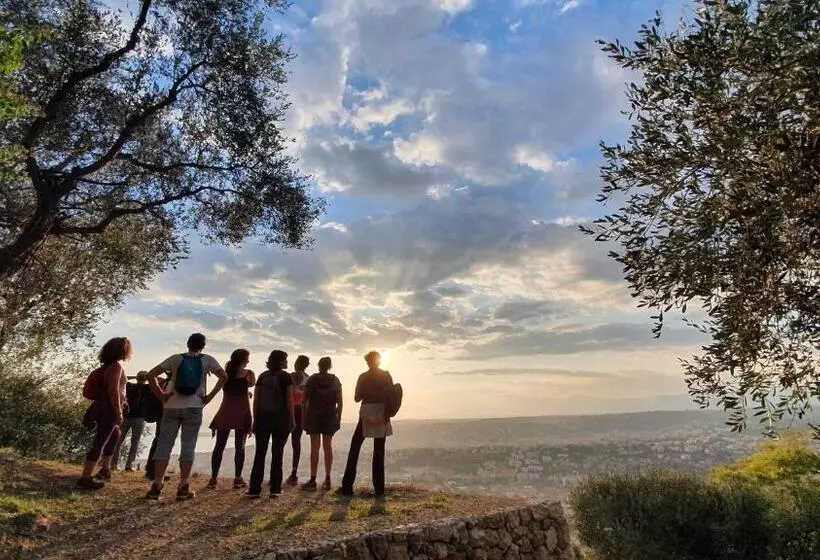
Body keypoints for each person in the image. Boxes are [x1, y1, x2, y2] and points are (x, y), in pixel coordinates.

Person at [144, 333, 227, 501]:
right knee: (188, 446)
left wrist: (161, 396)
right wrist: (209, 397)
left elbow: (150, 375)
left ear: (188, 343)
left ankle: (157, 486)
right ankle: (183, 486)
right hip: (194, 407)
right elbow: (224, 377)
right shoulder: (208, 360)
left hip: (171, 406)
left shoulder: (175, 359)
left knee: (164, 445)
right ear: (203, 346)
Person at [77, 337, 132, 490]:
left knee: (115, 435)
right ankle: (86, 477)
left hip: (101, 406)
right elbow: (113, 391)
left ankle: (105, 470)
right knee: (101, 441)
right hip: (109, 408)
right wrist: (119, 412)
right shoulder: (116, 367)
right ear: (123, 351)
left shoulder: (106, 366)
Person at [340, 351, 394, 498]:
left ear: (367, 362)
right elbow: (391, 396)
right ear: (379, 361)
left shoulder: (363, 377)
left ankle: (347, 487)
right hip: (381, 412)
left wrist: (366, 392)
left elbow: (357, 398)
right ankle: (379, 490)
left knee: (355, 446)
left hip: (366, 411)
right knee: (379, 451)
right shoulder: (386, 375)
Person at [248, 350, 294, 499]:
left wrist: (255, 420)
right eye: (285, 359)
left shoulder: (262, 376)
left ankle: (254, 489)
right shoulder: (286, 377)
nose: (287, 362)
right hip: (281, 420)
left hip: (262, 419)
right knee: (277, 454)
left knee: (259, 454)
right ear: (281, 361)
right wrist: (292, 420)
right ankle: (275, 489)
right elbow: (289, 401)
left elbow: (256, 401)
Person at [207, 348, 254, 489]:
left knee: (219, 447)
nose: (248, 361)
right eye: (247, 358)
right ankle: (238, 478)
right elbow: (250, 384)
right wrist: (247, 393)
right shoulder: (249, 374)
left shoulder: (225, 374)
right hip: (242, 412)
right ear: (243, 359)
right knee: (240, 447)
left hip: (225, 411)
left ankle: (213, 479)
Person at [301, 357, 342, 492]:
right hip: (330, 416)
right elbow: (340, 402)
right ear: (329, 366)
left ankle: (313, 479)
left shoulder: (311, 380)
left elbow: (304, 401)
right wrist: (338, 418)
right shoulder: (335, 381)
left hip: (313, 416)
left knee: (314, 447)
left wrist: (303, 418)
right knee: (327, 447)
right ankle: (328, 479)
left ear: (318, 365)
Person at [112, 371, 150, 471]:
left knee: (120, 441)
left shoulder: (131, 386)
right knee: (130, 442)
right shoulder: (144, 388)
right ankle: (127, 465)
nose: (141, 381)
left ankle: (116, 465)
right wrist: (144, 377)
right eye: (140, 378)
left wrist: (136, 377)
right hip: (134, 418)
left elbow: (122, 378)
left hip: (131, 417)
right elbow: (122, 378)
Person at [286, 355, 310, 486]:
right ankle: (294, 473)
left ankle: (276, 473)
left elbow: (288, 395)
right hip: (301, 411)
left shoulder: (291, 376)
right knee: (296, 442)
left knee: (281, 442)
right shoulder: (308, 378)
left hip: (289, 410)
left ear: (297, 363)